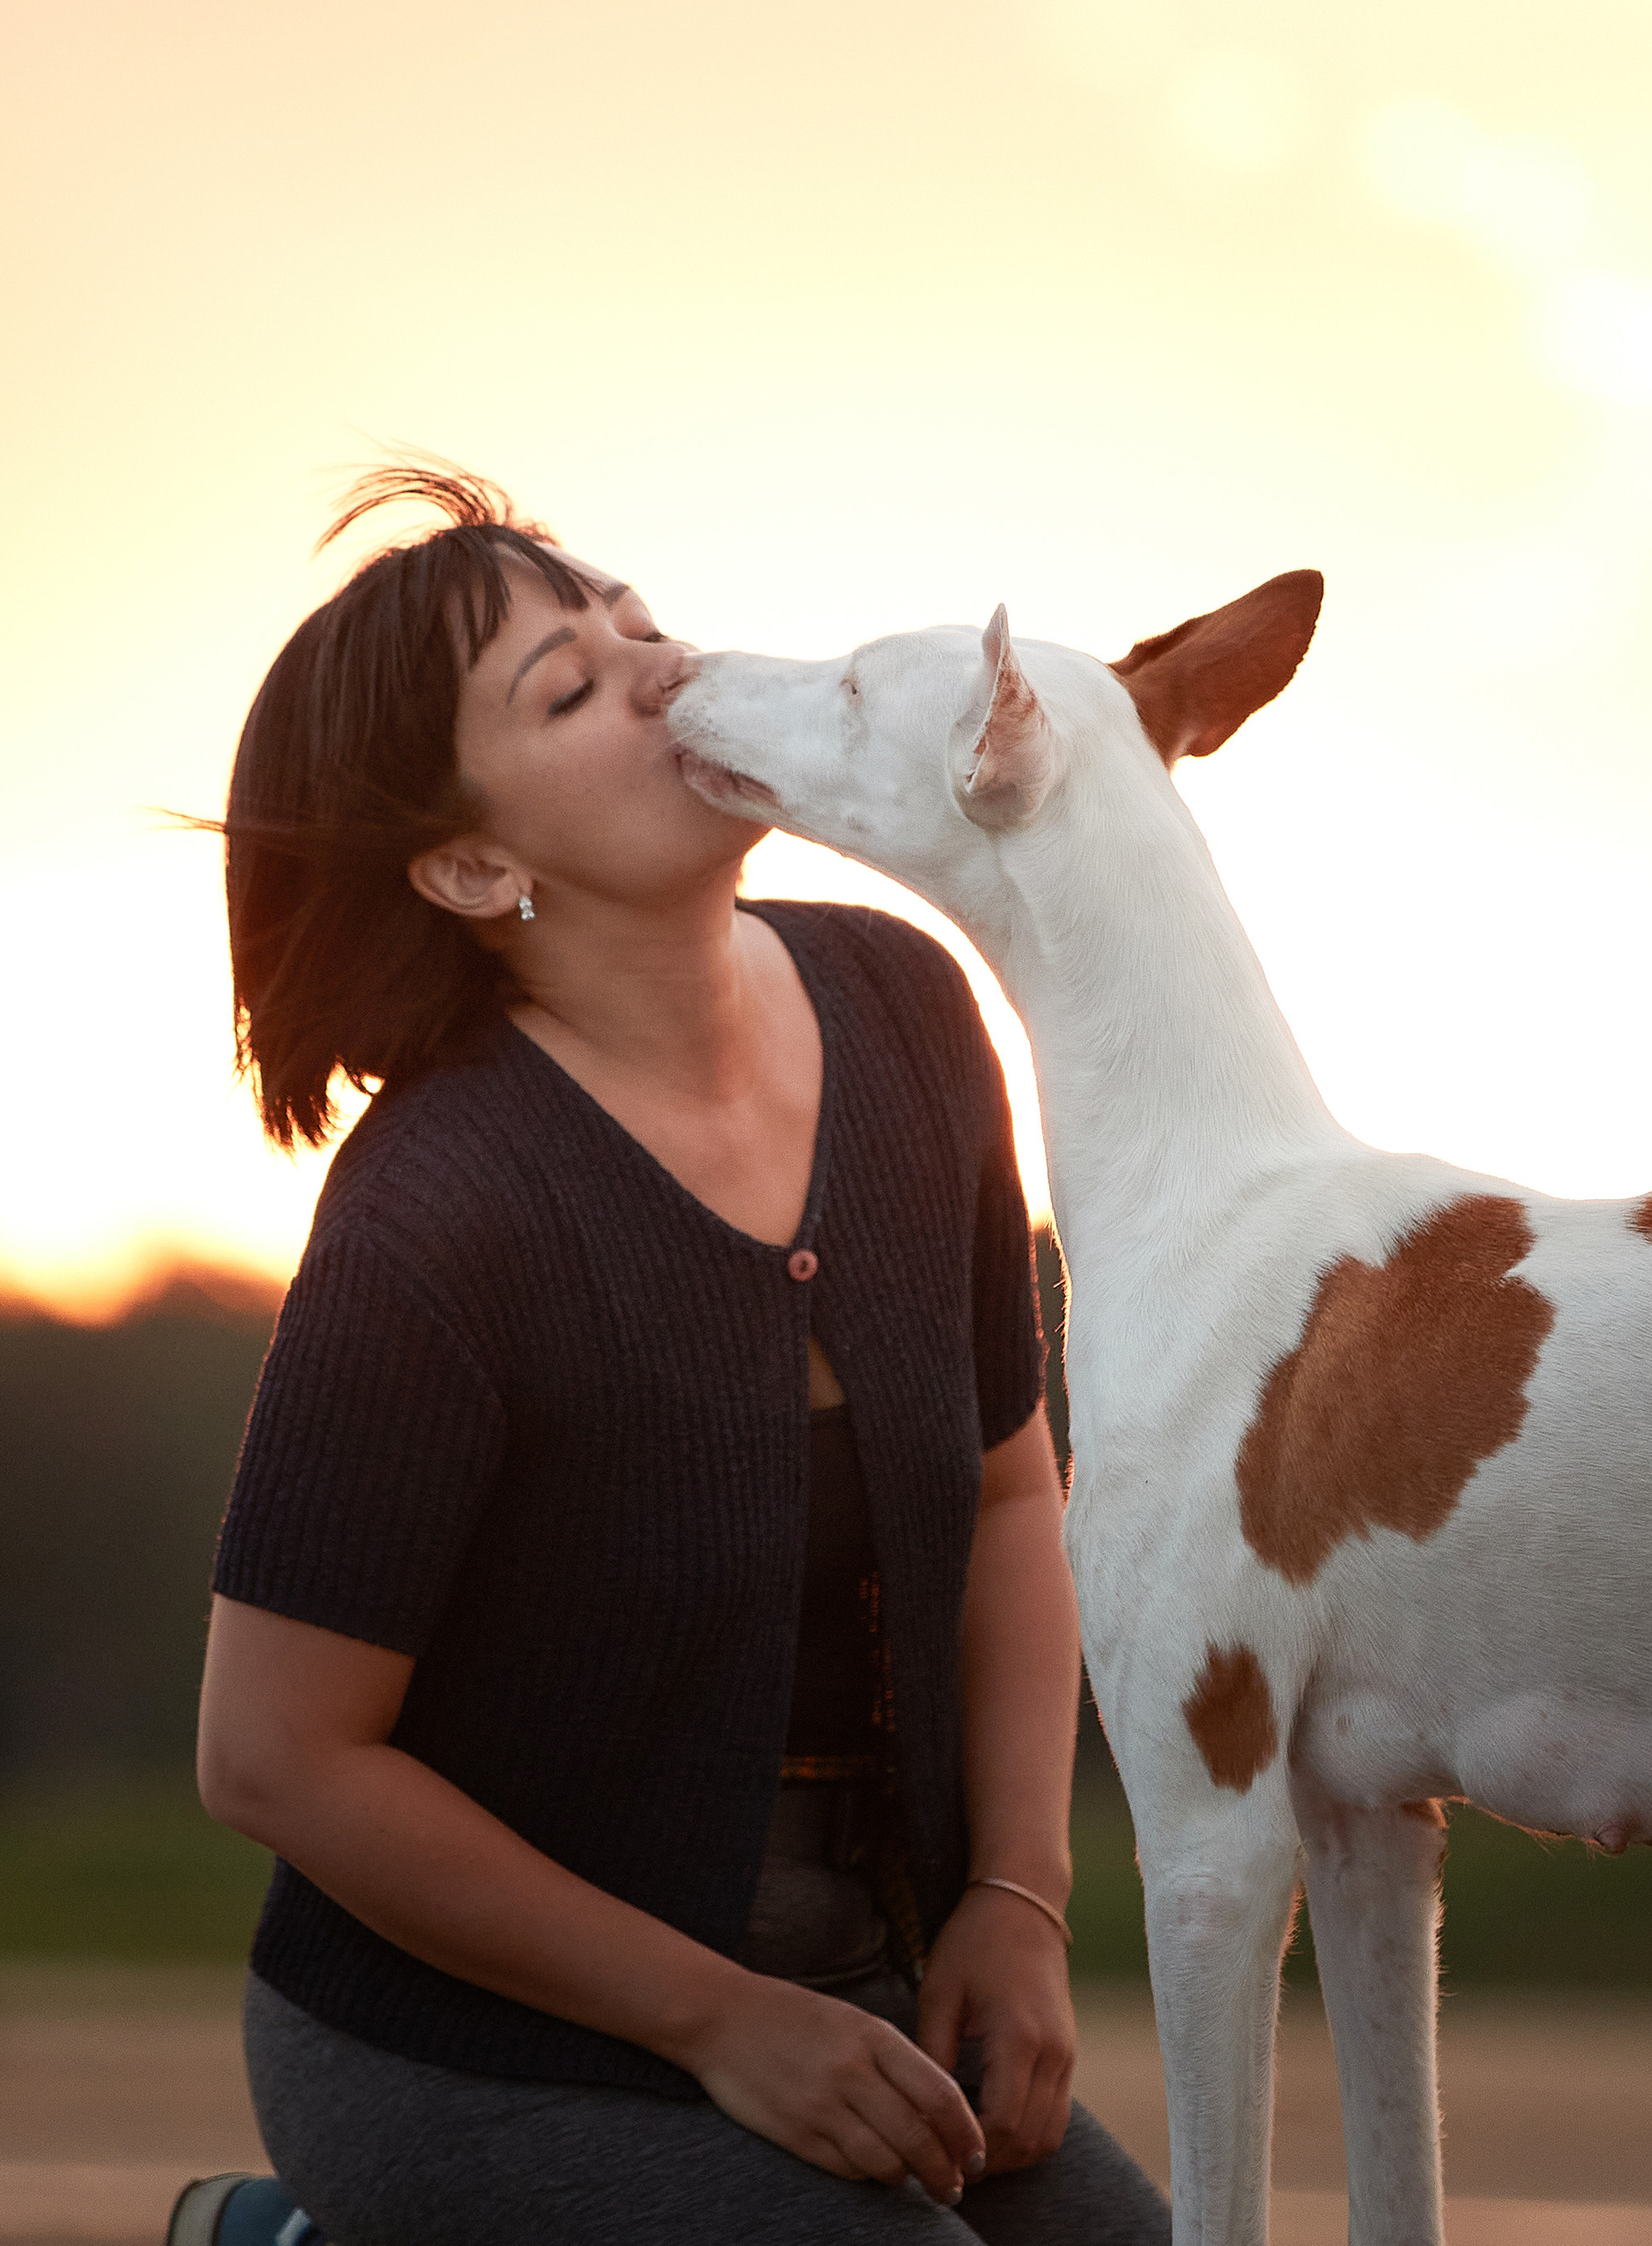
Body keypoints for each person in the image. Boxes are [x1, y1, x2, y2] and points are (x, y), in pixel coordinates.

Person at [194, 466, 1171, 2246]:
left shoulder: (908, 1006)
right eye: (567, 688)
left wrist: (1018, 1897)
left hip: (862, 1992)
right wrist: (718, 2018)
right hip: (483, 2046)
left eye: (637, 620)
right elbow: (271, 1755)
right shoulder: (439, 1204)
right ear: (478, 864)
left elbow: (1009, 1488)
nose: (656, 668)